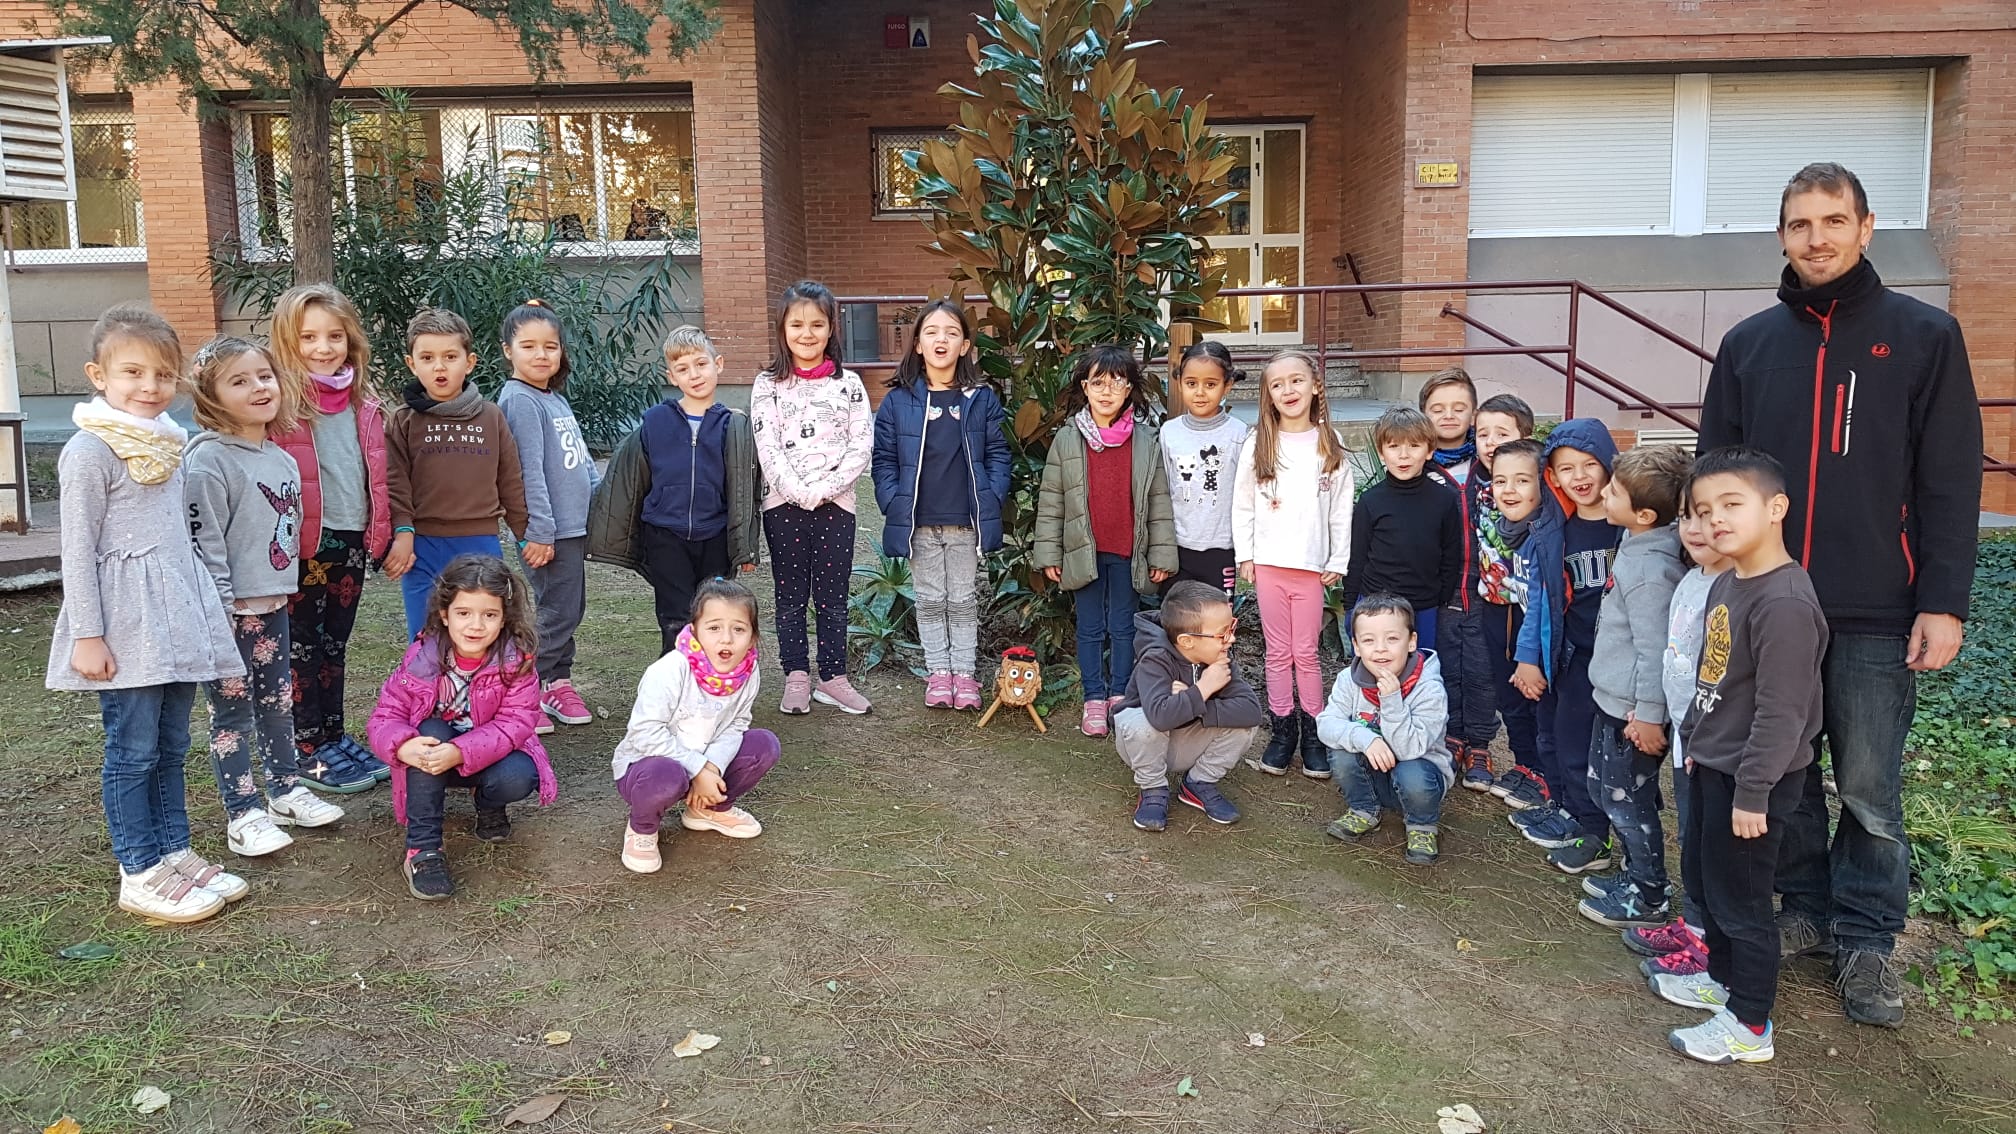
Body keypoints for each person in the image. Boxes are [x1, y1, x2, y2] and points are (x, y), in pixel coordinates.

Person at [1696, 162, 1983, 1028]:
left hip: (1876, 607)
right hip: (1766, 605)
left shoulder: (1924, 336)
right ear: (1781, 235)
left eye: (1832, 221)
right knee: (1782, 771)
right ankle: (1806, 909)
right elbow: (1714, 473)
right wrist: (1711, 568)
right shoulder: (1749, 344)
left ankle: (1866, 937)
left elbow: (1950, 478)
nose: (1815, 239)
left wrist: (1944, 600)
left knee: (1866, 786)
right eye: (1800, 224)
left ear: (1865, 227)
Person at [47, 305, 247, 924]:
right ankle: (139, 867)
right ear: (98, 375)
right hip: (127, 623)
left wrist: (208, 605)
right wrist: (88, 634)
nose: (149, 386)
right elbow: (77, 549)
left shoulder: (169, 442)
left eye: (163, 374)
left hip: (176, 616)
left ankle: (173, 850)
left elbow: (181, 538)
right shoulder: (90, 450)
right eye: (132, 372)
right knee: (132, 749)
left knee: (171, 743)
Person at [1651, 446, 1828, 1066]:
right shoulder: (1728, 580)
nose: (1715, 520)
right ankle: (1721, 982)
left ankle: (1750, 1024)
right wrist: (1694, 739)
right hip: (1713, 763)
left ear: (1776, 507)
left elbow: (1783, 713)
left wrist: (1753, 794)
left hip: (1756, 781)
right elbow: (1713, 673)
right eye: (1703, 510)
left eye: (1731, 504)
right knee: (1710, 882)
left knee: (1744, 902)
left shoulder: (1785, 603)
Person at [184, 336, 347, 858]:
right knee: (232, 714)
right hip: (228, 614)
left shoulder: (279, 458)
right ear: (210, 396)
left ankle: (285, 789)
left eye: (264, 376)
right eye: (239, 381)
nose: (259, 387)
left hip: (274, 606)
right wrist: (219, 611)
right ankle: (243, 812)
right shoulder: (208, 462)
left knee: (278, 704)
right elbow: (204, 544)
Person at [367, 555, 558, 901]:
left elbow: (515, 724)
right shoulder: (421, 659)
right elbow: (384, 717)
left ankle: (487, 802)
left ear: (504, 618)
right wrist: (401, 745)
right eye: (464, 613)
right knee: (429, 732)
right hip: (430, 762)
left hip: (486, 758)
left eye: (489, 615)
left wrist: (460, 752)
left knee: (518, 776)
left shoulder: (517, 663)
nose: (476, 625)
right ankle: (423, 849)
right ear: (445, 614)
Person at [268, 283, 390, 792]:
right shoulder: (277, 403)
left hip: (349, 538)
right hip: (301, 547)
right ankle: (305, 748)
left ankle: (333, 736)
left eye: (335, 336)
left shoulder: (363, 402)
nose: (323, 348)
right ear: (287, 340)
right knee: (301, 650)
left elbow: (377, 473)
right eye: (309, 337)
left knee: (333, 645)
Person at [586, 325, 762, 656]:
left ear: (718, 365)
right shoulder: (655, 422)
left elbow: (744, 492)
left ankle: (710, 680)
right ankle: (675, 679)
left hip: (714, 537)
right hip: (665, 535)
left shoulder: (733, 426)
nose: (694, 375)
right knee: (675, 618)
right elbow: (630, 482)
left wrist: (744, 549)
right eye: (682, 369)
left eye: (701, 364)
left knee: (712, 614)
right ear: (671, 376)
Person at [872, 300, 1011, 711]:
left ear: (965, 345)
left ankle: (964, 675)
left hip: (966, 521)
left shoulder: (980, 399)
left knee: (963, 600)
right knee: (931, 600)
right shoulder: (898, 402)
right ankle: (938, 673)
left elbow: (999, 453)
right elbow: (883, 460)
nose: (941, 339)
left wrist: (992, 495)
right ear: (918, 344)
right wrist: (893, 499)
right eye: (931, 331)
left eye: (951, 332)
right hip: (919, 522)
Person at [1032, 344, 1177, 737]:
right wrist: (1049, 552)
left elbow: (1159, 500)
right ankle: (1094, 697)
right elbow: (1052, 500)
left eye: (1117, 382)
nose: (1107, 391)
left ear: (1129, 388)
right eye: (1098, 382)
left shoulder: (1146, 440)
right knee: (1091, 627)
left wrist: (1161, 553)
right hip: (1084, 552)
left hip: (1128, 551)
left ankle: (1120, 695)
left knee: (1124, 626)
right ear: (1085, 387)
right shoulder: (1068, 439)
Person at [1576, 443, 1691, 925]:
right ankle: (1633, 874)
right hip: (1612, 700)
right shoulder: (1637, 541)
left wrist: (1647, 714)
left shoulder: (1650, 571)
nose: (1603, 494)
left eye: (1615, 492)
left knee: (1626, 801)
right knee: (1607, 790)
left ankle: (1648, 896)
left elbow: (1656, 648)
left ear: (1644, 514)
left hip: (1632, 712)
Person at [751, 280, 875, 716]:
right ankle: (796, 675)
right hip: (783, 506)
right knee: (790, 596)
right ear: (782, 329)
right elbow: (767, 446)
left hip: (835, 506)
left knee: (832, 597)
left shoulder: (850, 384)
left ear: (831, 328)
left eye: (817, 324)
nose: (807, 333)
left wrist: (824, 491)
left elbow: (861, 445)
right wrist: (798, 492)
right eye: (797, 324)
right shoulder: (767, 385)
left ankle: (833, 677)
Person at [1625, 485, 1730, 981]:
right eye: (1688, 516)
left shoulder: (1735, 589)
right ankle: (1694, 924)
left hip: (1719, 746)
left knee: (1713, 844)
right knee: (1691, 834)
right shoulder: (1691, 579)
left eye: (1709, 516)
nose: (1695, 528)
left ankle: (1712, 945)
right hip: (1689, 739)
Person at [1232, 350, 1354, 776]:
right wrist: (1245, 554)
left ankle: (1314, 735)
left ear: (1316, 386)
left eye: (1296, 380)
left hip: (1310, 569)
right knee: (1277, 652)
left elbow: (1340, 510)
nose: (1288, 390)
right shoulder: (1258, 444)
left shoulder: (1329, 444)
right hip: (1269, 565)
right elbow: (1243, 503)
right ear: (1268, 394)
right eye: (1277, 384)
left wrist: (1338, 558)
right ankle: (1282, 731)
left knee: (1306, 653)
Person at [1509, 419, 1620, 873]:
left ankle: (1598, 831)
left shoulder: (1629, 526)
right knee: (1562, 740)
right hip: (1571, 656)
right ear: (1552, 476)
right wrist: (1530, 656)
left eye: (1589, 464)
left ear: (1609, 464)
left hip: (1618, 662)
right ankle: (1574, 815)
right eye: (1566, 468)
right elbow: (1540, 600)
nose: (1580, 477)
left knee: (1603, 752)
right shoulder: (1555, 531)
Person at [613, 578, 780, 873]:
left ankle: (708, 809)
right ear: (695, 630)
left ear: (753, 637)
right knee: (666, 775)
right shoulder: (670, 670)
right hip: (647, 769)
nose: (726, 639)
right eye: (714, 628)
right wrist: (699, 769)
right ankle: (642, 827)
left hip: (704, 765)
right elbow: (644, 733)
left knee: (764, 745)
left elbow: (737, 723)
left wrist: (713, 767)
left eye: (738, 629)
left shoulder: (748, 670)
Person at [381, 308, 529, 638]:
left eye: (450, 356)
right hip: (423, 546)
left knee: (479, 632)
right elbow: (395, 482)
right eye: (427, 358)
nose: (439, 366)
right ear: (412, 364)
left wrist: (524, 534)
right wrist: (403, 532)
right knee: (426, 635)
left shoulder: (491, 417)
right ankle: (428, 677)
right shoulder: (403, 420)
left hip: (480, 542)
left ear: (469, 362)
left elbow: (510, 479)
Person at [496, 300, 600, 734]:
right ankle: (522, 689)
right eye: (529, 346)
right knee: (557, 613)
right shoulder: (519, 400)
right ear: (508, 350)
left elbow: (583, 462)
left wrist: (601, 502)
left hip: (572, 527)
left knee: (568, 608)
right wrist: (538, 531)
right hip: (548, 532)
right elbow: (528, 472)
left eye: (550, 346)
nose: (541, 355)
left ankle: (557, 683)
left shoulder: (552, 398)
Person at [1113, 581, 1264, 830]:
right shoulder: (1156, 658)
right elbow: (1160, 717)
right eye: (1223, 633)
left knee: (1244, 726)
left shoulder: (1219, 659)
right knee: (1144, 725)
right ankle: (1153, 788)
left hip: (1186, 740)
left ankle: (1198, 783)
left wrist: (1193, 701)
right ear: (1187, 641)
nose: (1232, 638)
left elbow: (1252, 711)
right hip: (1142, 746)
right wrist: (1204, 689)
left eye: (1231, 628)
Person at [1317, 595, 1453, 866]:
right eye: (1369, 640)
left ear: (1411, 641)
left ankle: (1422, 824)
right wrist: (1365, 739)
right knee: (1340, 753)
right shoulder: (1348, 680)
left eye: (1392, 639)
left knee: (1412, 770)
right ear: (1356, 646)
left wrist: (1392, 701)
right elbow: (1326, 724)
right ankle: (1364, 809)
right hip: (1376, 775)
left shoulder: (1429, 688)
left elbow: (1409, 750)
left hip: (1419, 778)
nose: (1380, 649)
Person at [1419, 369, 1495, 786]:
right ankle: (1450, 737)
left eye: (1458, 407)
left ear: (1474, 413)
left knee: (1482, 670)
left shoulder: (1490, 463)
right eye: (1438, 409)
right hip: (1441, 589)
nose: (1448, 416)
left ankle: (1479, 744)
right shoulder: (1419, 465)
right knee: (1445, 666)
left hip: (1488, 590)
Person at [1341, 405, 1462, 650]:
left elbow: (1451, 554)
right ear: (1381, 453)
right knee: (1376, 665)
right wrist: (1351, 606)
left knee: (1421, 666)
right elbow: (1357, 557)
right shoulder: (1371, 501)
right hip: (1375, 606)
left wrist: (1441, 597)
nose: (1403, 455)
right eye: (1394, 446)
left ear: (1429, 451)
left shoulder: (1444, 499)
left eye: (1414, 446)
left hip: (1424, 606)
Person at [1471, 394, 1538, 792]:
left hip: (1531, 609)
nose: (1491, 442)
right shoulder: (1478, 486)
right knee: (1507, 691)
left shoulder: (1540, 492)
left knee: (1535, 690)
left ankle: (1543, 770)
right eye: (1483, 434)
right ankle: (1524, 763)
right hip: (1494, 606)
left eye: (1502, 433)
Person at [1159, 340, 1250, 598]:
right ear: (1179, 383)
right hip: (1177, 548)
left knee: (1217, 614)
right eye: (1191, 383)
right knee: (1177, 615)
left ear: (1227, 385)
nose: (1200, 392)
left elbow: (1246, 495)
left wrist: (1246, 550)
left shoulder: (1239, 433)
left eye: (1210, 384)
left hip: (1221, 548)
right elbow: (1163, 490)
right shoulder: (1169, 432)